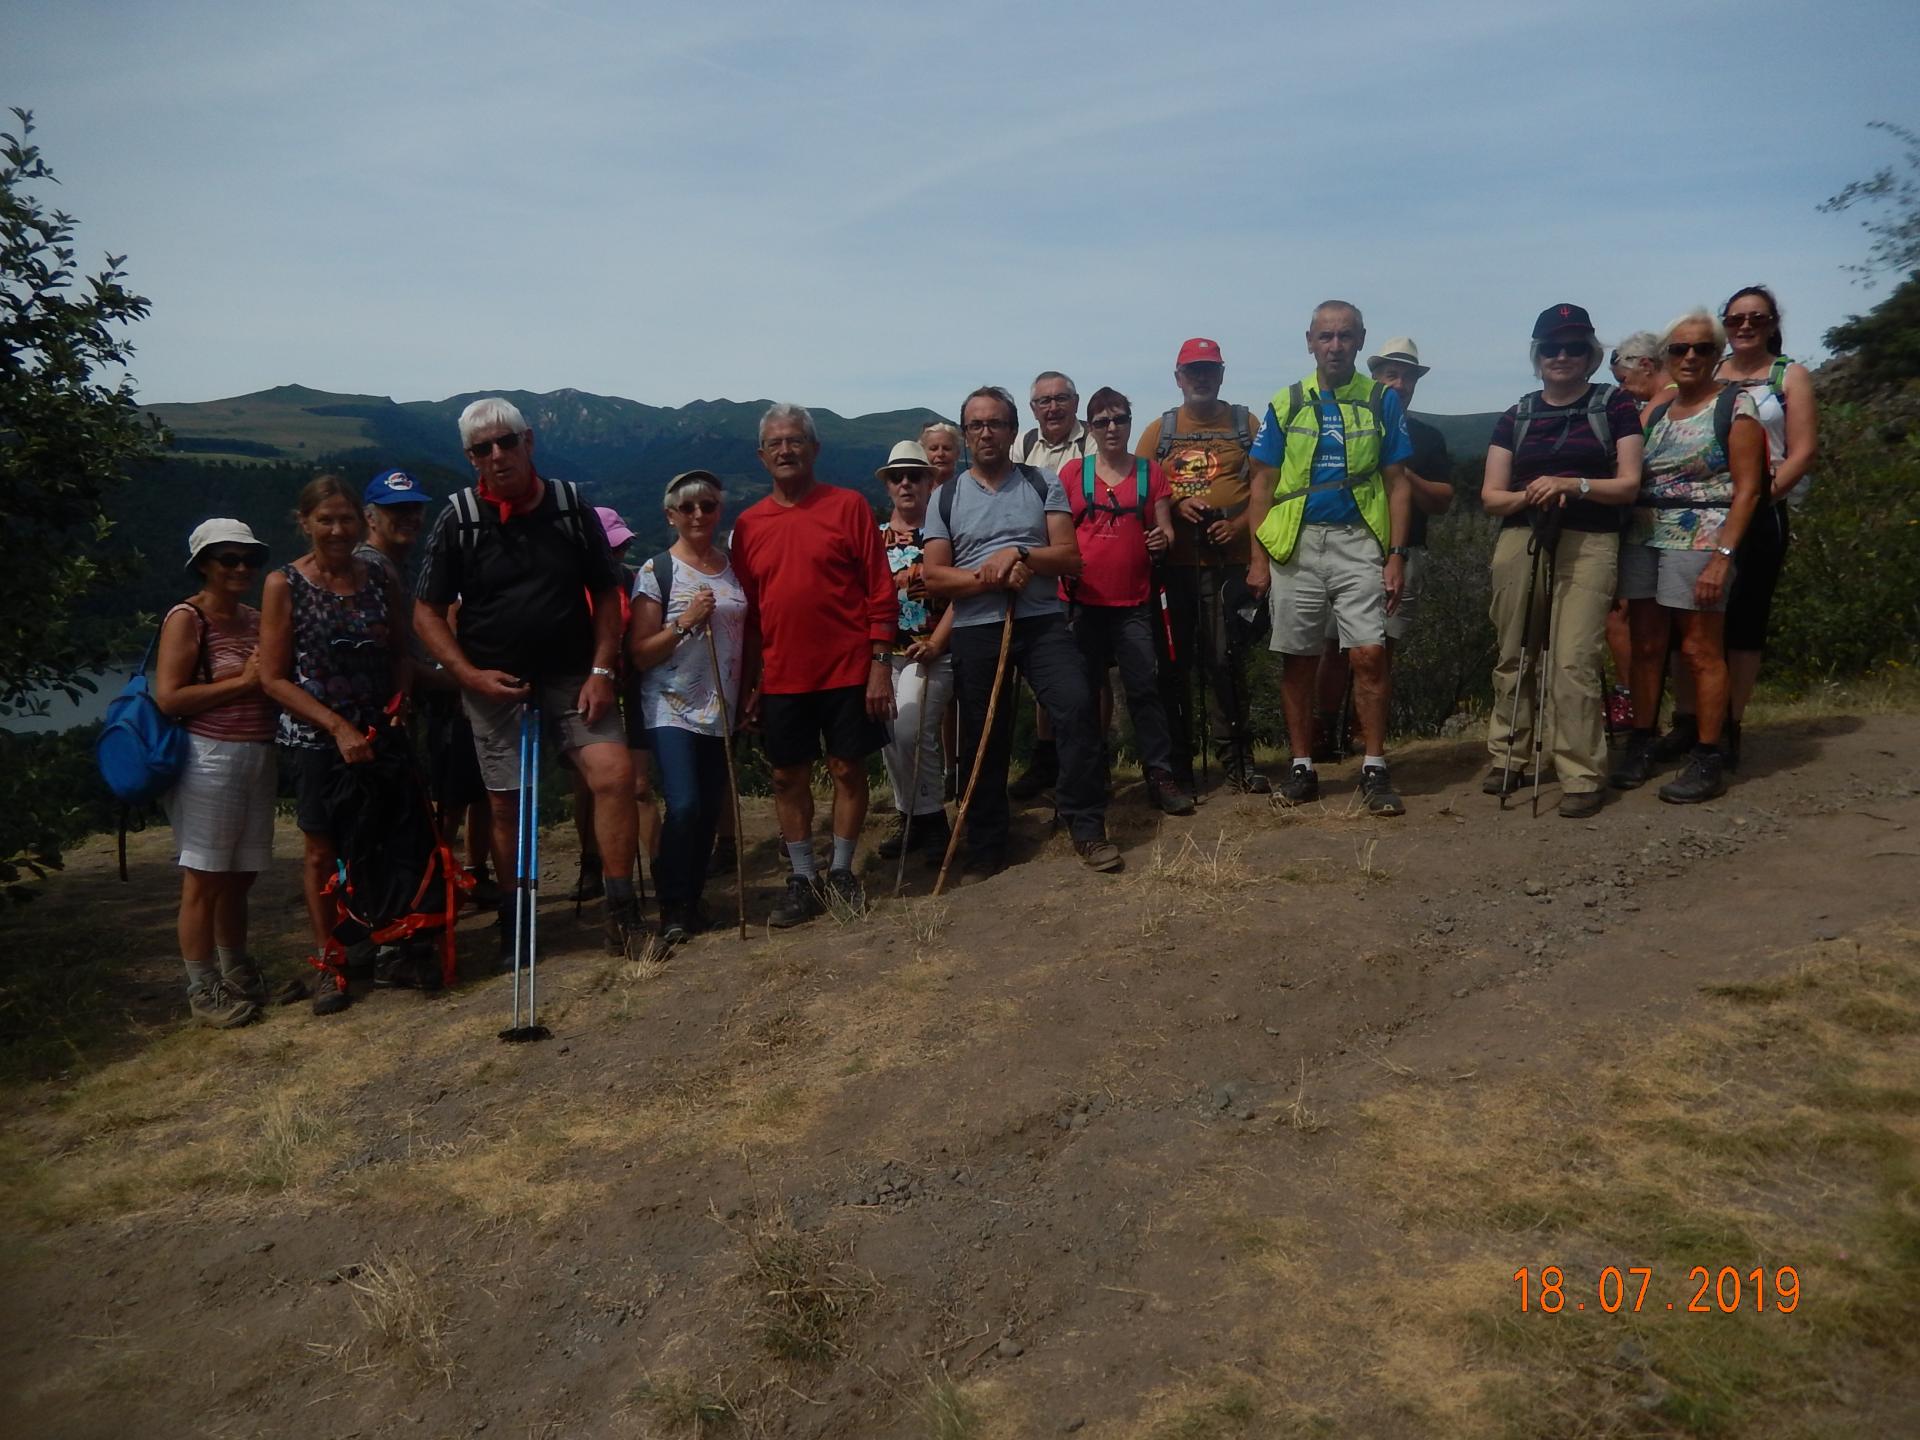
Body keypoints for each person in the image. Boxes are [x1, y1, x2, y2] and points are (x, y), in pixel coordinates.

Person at [413, 398, 643, 957]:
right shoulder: (460, 517)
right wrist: (468, 675)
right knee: (505, 803)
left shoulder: (568, 506)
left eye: (506, 442)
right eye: (482, 449)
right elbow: (425, 610)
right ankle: (517, 917)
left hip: (573, 673)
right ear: (471, 458)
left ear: (529, 442)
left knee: (614, 775)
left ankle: (623, 912)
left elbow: (608, 593)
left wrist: (601, 669)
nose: (497, 456)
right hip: (494, 680)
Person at [922, 386, 1121, 879]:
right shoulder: (944, 497)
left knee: (1076, 706)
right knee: (982, 735)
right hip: (975, 627)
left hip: (1041, 621)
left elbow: (1070, 557)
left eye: (996, 424)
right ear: (966, 434)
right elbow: (933, 576)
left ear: (1013, 431)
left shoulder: (1040, 482)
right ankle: (987, 843)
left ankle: (1085, 824)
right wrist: (987, 575)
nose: (985, 432)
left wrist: (1022, 555)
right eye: (976, 425)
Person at [1246, 301, 1414, 815]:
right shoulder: (1287, 401)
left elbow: (1397, 483)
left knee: (1368, 653)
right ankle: (1302, 767)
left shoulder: (1380, 399)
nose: (1335, 346)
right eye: (1325, 337)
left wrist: (1397, 555)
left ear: (1361, 341)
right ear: (1310, 341)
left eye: (1344, 336)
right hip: (1296, 540)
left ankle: (1374, 767)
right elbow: (1262, 483)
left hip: (1358, 538)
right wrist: (1256, 559)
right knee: (1299, 657)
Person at [732, 403, 897, 927]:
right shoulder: (748, 524)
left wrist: (879, 664)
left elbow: (879, 589)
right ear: (762, 456)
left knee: (848, 768)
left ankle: (843, 870)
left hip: (849, 667)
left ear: (814, 449)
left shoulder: (848, 507)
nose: (786, 450)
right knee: (786, 777)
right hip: (782, 674)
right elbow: (750, 614)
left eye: (796, 440)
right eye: (776, 443)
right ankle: (803, 877)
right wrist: (750, 680)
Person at [1479, 304, 1645, 817]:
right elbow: (1491, 496)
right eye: (1551, 347)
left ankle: (1580, 770)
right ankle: (1510, 753)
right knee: (1515, 648)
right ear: (1538, 355)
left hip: (1590, 540)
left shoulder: (1615, 406)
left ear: (1591, 354)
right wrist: (1533, 495)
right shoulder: (1518, 413)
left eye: (1575, 347)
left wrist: (1574, 485)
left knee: (1574, 655)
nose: (1562, 356)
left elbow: (1629, 486)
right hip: (1523, 536)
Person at [259, 475, 407, 1014]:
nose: (338, 529)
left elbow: (398, 650)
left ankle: (385, 944)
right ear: (305, 523)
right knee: (322, 851)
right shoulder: (284, 585)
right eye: (326, 519)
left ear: (360, 520)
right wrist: (336, 727)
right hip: (317, 739)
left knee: (381, 842)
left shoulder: (377, 577)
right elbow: (273, 678)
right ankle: (330, 962)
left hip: (378, 731)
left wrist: (401, 702)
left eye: (346, 518)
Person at [1610, 310, 1767, 803]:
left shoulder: (1735, 408)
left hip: (1701, 536)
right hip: (1644, 535)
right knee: (1647, 645)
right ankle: (1642, 739)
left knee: (1701, 649)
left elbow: (1748, 491)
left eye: (1701, 348)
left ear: (1718, 354)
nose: (1691, 357)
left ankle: (1707, 754)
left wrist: (1723, 556)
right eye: (1680, 349)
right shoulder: (1657, 410)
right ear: (1666, 357)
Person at [153, 519, 297, 1026]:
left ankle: (236, 970)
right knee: (204, 878)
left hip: (255, 753)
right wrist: (244, 681)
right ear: (202, 566)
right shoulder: (187, 618)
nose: (241, 568)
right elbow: (169, 698)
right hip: (207, 757)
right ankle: (202, 987)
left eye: (249, 560)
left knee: (240, 875)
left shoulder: (256, 618)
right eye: (228, 559)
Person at [1134, 338, 1269, 793]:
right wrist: (1173, 504)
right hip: (1174, 567)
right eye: (1193, 371)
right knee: (1173, 665)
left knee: (1225, 660)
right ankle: (1177, 762)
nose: (1202, 378)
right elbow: (1139, 491)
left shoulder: (1245, 423)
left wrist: (1239, 526)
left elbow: (1269, 489)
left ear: (1222, 374)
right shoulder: (1160, 432)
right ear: (1178, 378)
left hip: (1228, 563)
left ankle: (1237, 757)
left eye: (1209, 369)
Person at [1310, 338, 1455, 758]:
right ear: (1374, 377)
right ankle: (1323, 730)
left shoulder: (1427, 437)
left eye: (1407, 376)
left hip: (1406, 549)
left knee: (1381, 648)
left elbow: (1443, 500)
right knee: (1335, 645)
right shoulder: (1350, 424)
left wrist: (1402, 473)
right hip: (1348, 545)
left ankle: (1361, 732)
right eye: (1392, 374)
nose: (1400, 383)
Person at [1060, 388, 1192, 815]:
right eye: (1102, 421)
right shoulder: (1073, 474)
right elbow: (1056, 533)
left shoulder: (1150, 473)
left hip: (1134, 600)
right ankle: (1088, 775)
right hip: (1081, 601)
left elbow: (1166, 531)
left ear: (1131, 422)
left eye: (1119, 419)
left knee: (1143, 689)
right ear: (1091, 427)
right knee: (1084, 694)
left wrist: (1161, 539)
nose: (1112, 428)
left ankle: (1158, 772)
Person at [628, 472, 747, 944]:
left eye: (709, 505)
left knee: (708, 805)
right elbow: (639, 653)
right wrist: (685, 622)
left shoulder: (736, 567)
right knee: (684, 804)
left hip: (723, 703)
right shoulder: (657, 572)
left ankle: (692, 899)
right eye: (689, 507)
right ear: (671, 515)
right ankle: (672, 904)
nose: (699, 514)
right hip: (670, 706)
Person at [1714, 285, 1818, 768]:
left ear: (1773, 322)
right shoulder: (1709, 372)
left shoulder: (1788, 375)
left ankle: (1730, 723)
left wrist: (1759, 501)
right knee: (1697, 623)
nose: (1746, 326)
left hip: (1763, 513)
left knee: (1745, 620)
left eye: (1756, 317)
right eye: (1736, 319)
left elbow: (1801, 452)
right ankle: (1697, 723)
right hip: (1705, 512)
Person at [1007, 371, 1096, 800]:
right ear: (1033, 409)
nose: (1053, 407)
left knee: (1089, 672)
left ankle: (1090, 759)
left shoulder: (1093, 441)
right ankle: (1048, 759)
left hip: (1085, 569)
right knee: (1045, 676)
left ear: (1076, 403)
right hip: (1037, 575)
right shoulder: (1022, 447)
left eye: (1061, 399)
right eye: (1044, 401)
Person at [570, 506, 664, 902]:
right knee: (590, 784)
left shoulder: (631, 581)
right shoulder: (572, 589)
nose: (618, 555)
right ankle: (593, 862)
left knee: (639, 785)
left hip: (632, 684)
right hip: (589, 687)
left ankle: (660, 870)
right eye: (612, 548)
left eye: (621, 547)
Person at [872, 442, 958, 866]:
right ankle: (910, 816)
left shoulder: (946, 534)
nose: (905, 483)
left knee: (910, 730)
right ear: (887, 485)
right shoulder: (872, 539)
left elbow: (962, 594)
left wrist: (938, 641)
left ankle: (932, 820)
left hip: (932, 651)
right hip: (885, 655)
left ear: (931, 481)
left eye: (915, 475)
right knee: (889, 736)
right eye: (896, 476)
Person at [1610, 332, 1669, 405]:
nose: (1621, 389)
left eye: (1622, 380)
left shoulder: (1668, 398)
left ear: (1646, 366)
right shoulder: (1677, 394)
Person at [920, 420, 963, 486]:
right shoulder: (914, 493)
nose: (940, 454)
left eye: (947, 448)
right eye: (934, 449)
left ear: (957, 453)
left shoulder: (966, 491)